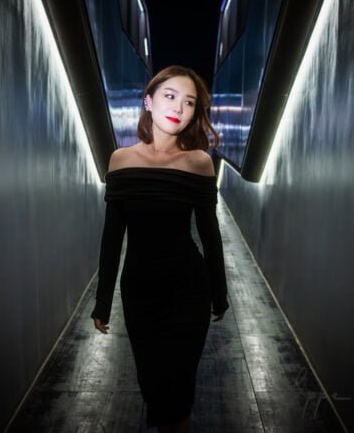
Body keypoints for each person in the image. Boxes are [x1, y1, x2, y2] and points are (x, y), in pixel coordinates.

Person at [90, 65, 229, 432]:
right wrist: (103, 301)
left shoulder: (199, 162)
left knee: (178, 392)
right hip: (139, 293)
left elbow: (210, 234)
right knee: (153, 386)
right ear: (148, 101)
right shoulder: (121, 160)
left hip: (188, 291)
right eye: (170, 97)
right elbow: (112, 237)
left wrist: (220, 293)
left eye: (189, 103)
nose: (179, 108)